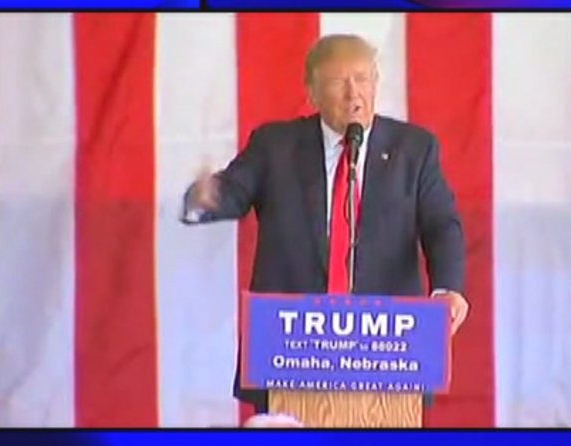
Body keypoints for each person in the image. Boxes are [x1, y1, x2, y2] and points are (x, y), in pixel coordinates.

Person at [182, 34, 469, 413]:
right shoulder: (275, 146)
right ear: (313, 93)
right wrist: (205, 197)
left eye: (362, 79)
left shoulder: (414, 149)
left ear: (376, 82)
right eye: (338, 82)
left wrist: (447, 289)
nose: (353, 94)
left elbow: (441, 225)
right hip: (291, 353)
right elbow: (232, 193)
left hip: (386, 355)